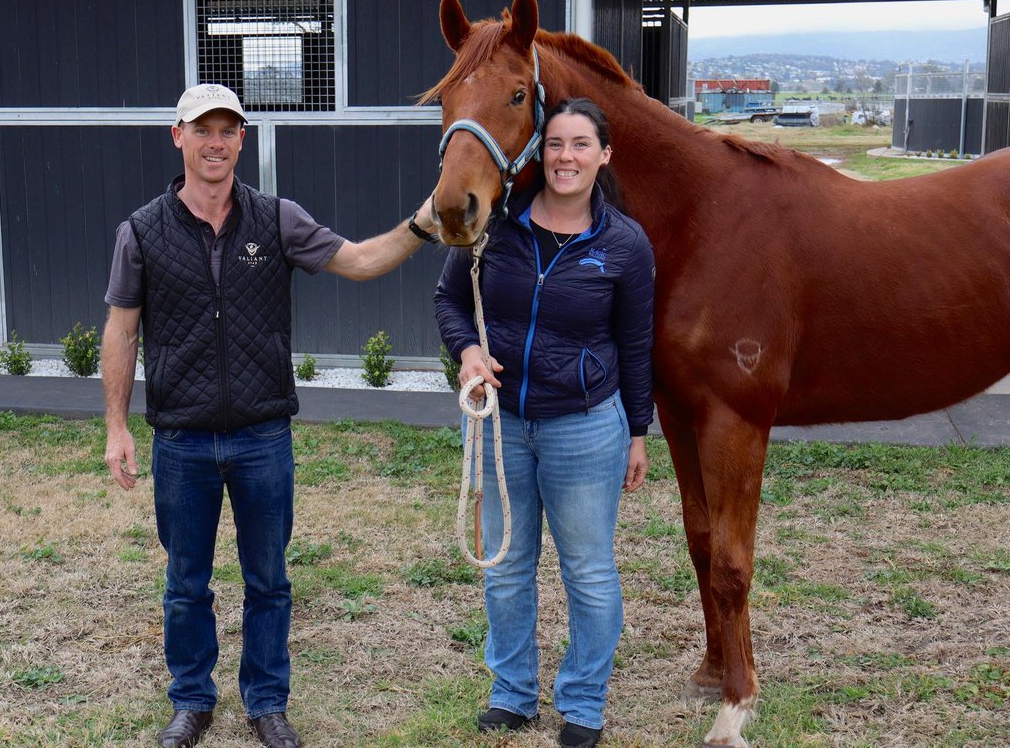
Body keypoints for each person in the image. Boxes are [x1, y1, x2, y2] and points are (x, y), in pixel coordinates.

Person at [102, 83, 439, 748]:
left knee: (269, 581)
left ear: (242, 141)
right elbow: (120, 330)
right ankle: (192, 701)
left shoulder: (276, 219)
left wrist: (425, 220)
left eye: (228, 130)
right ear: (179, 136)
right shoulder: (140, 231)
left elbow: (362, 261)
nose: (215, 142)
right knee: (185, 584)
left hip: (262, 437)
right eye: (203, 129)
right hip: (182, 441)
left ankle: (266, 702)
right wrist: (116, 426)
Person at [434, 98, 654, 748]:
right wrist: (468, 352)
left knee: (587, 570)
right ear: (539, 152)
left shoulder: (623, 246)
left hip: (585, 428)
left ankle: (582, 703)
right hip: (501, 426)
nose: (565, 157)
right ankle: (512, 693)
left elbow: (636, 344)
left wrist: (637, 431)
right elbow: (449, 298)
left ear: (604, 155)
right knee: (506, 567)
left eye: (581, 144)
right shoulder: (497, 227)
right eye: (555, 144)